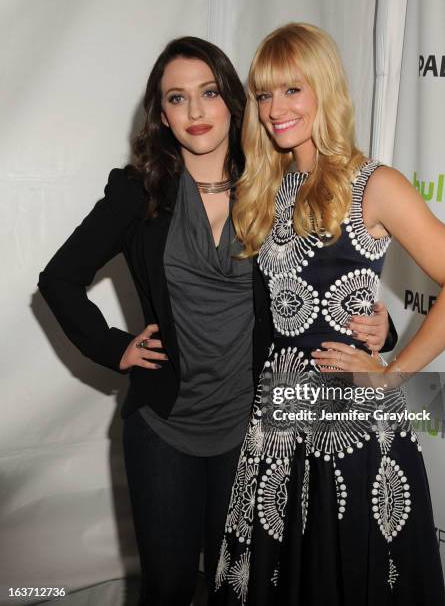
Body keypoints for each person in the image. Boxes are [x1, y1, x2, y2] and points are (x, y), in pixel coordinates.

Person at [37, 36, 396, 605]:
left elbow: (328, 280)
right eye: (177, 99)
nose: (196, 111)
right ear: (161, 114)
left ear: (233, 100)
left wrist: (383, 328)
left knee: (242, 591)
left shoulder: (275, 183)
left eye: (208, 93)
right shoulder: (138, 192)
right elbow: (58, 279)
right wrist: (115, 347)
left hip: (252, 429)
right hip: (163, 428)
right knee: (169, 588)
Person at [213, 23, 445, 606]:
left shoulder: (375, 185)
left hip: (349, 427)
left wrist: (392, 371)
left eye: (292, 90)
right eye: (264, 95)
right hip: (279, 427)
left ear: (324, 90)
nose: (274, 109)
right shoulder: (269, 189)